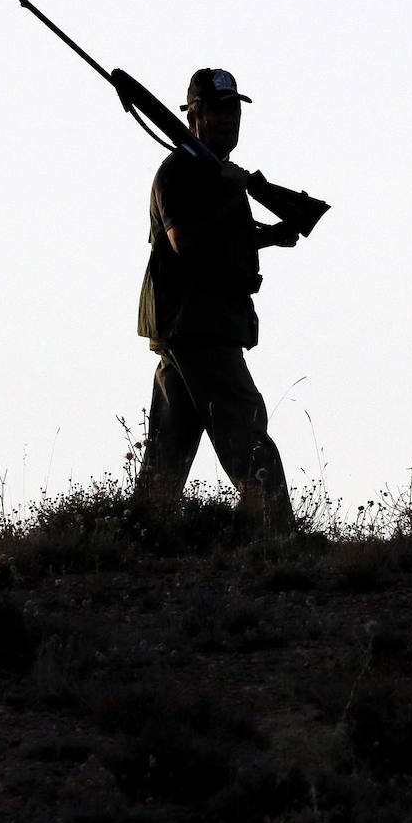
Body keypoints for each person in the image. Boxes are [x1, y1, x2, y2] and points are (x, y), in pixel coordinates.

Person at [132, 68, 302, 533]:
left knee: (168, 451)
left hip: (195, 324)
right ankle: (279, 537)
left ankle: (142, 535)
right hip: (197, 326)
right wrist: (233, 192)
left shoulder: (210, 172)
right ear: (194, 114)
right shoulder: (181, 172)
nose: (230, 119)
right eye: (219, 109)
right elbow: (183, 239)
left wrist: (269, 236)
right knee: (247, 434)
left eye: (234, 109)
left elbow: (219, 237)